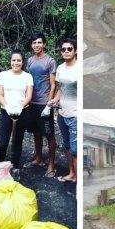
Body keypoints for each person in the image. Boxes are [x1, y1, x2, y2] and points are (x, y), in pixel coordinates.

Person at [25, 33, 57, 177]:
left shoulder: (50, 61)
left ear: (44, 44)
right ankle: (39, 158)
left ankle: (51, 164)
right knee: (36, 132)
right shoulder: (30, 61)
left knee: (49, 134)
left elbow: (53, 84)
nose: (36, 45)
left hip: (44, 103)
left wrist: (48, 105)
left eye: (39, 42)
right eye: (34, 43)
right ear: (31, 45)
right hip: (32, 102)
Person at [0, 50, 34, 172]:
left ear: (22, 62)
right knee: (2, 143)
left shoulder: (27, 76)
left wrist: (20, 107)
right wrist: (7, 106)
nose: (16, 63)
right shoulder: (3, 75)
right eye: (13, 60)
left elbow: (28, 96)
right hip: (6, 112)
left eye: (19, 60)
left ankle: (15, 165)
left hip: (22, 112)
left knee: (17, 141)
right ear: (10, 61)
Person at [50, 39, 77, 183]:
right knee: (67, 146)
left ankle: (78, 180)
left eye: (69, 49)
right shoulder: (60, 68)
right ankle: (72, 173)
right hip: (62, 113)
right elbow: (61, 89)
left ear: (76, 51)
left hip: (75, 115)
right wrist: (54, 100)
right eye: (63, 49)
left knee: (75, 150)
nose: (66, 51)